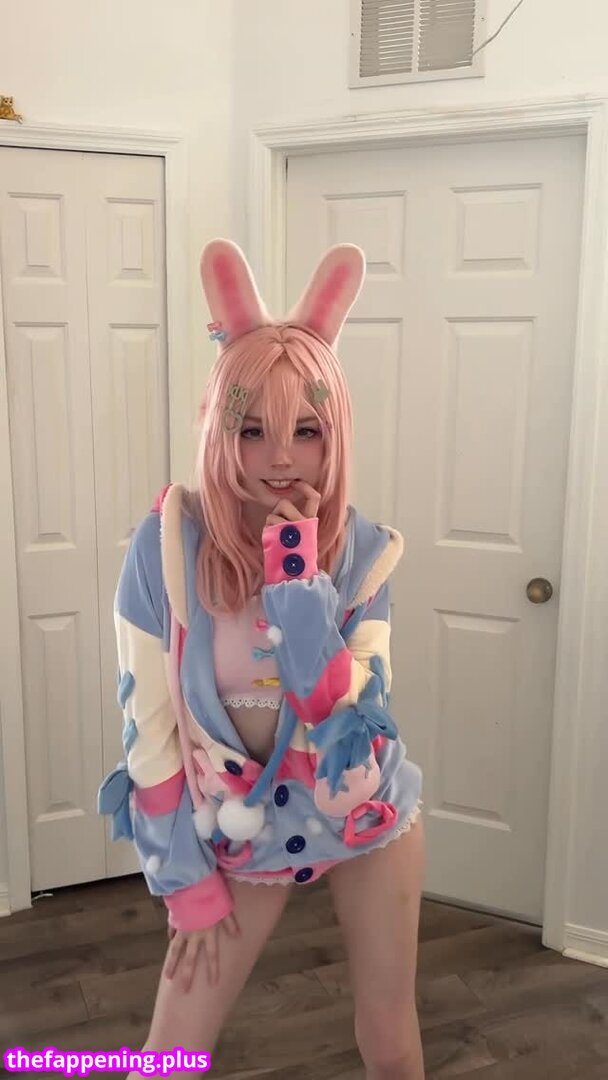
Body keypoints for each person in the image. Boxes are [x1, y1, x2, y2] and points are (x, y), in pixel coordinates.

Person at [98, 239, 425, 1080]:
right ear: (219, 428)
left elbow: (351, 725)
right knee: (169, 1053)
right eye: (252, 431)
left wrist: (301, 591)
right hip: (235, 827)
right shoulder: (165, 547)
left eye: (307, 431)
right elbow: (148, 731)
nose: (282, 457)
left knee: (391, 1039)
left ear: (334, 435)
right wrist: (183, 880)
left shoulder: (362, 551)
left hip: (361, 814)